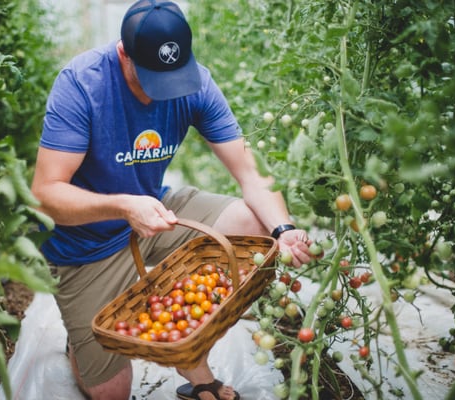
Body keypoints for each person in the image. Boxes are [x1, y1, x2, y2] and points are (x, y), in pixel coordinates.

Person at [30, 1, 313, 399]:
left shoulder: (194, 81)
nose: (159, 92)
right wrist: (124, 206)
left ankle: (191, 352)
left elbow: (251, 170)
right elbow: (46, 194)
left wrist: (283, 230)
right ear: (123, 53)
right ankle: (79, 343)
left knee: (254, 228)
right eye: (149, 78)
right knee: (112, 393)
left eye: (171, 78)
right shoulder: (81, 84)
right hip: (85, 246)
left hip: (155, 212)